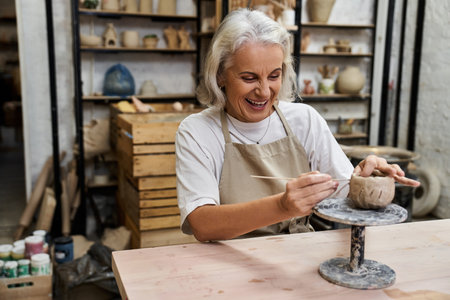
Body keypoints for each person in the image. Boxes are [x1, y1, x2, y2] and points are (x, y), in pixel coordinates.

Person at [175, 9, 419, 242]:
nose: (263, 91)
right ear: (220, 74)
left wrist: (367, 179)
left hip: (296, 250)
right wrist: (282, 206)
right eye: (249, 78)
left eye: (274, 75)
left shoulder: (304, 120)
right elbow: (202, 224)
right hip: (225, 257)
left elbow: (344, 191)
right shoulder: (198, 131)